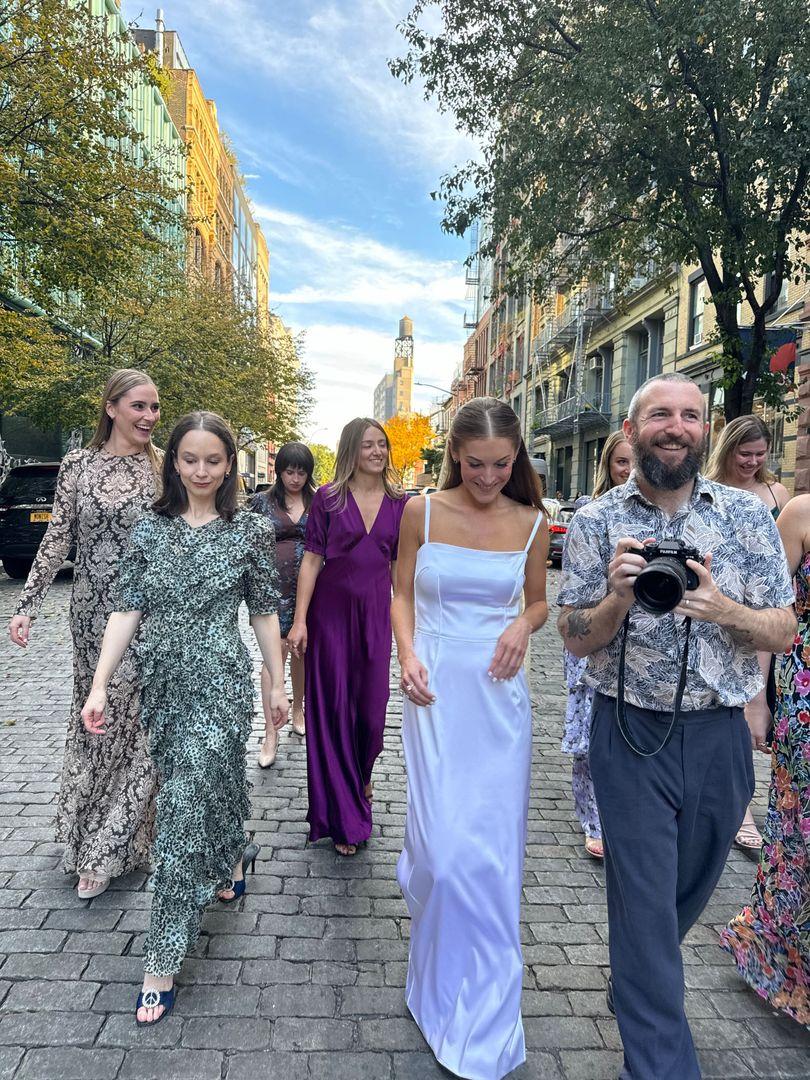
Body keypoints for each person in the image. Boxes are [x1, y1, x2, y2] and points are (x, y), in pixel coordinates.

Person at [558, 373, 795, 1080]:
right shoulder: (597, 519)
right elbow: (573, 635)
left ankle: (637, 980)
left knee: (681, 892)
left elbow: (783, 628)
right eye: (659, 413)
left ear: (705, 431)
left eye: (691, 415)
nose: (676, 424)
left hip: (720, 734)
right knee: (641, 900)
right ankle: (661, 1060)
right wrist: (617, 601)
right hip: (627, 731)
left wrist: (724, 608)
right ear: (631, 432)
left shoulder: (748, 519)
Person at [80, 411, 288, 1026]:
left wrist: (277, 686)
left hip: (221, 682)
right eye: (190, 459)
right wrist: (99, 686)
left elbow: (263, 614)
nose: (201, 471)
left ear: (229, 466)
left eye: (214, 461)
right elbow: (126, 611)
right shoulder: (148, 528)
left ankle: (161, 958)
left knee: (181, 807)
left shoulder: (248, 531)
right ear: (174, 461)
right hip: (161, 685)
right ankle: (231, 857)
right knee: (207, 785)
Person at [392, 397, 549, 1080]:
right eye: (477, 463)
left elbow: (539, 599)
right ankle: (431, 977)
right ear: (455, 453)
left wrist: (523, 625)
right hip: (434, 693)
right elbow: (400, 592)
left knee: (485, 860)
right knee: (438, 856)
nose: (489, 477)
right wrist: (406, 653)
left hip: (498, 702)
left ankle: (485, 1009)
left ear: (517, 461)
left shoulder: (534, 521)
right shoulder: (420, 512)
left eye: (503, 465)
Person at [8, 368, 162, 900]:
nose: (148, 416)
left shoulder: (163, 465)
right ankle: (92, 831)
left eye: (154, 407)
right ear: (112, 408)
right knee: (98, 723)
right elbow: (58, 536)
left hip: (149, 616)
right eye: (139, 406)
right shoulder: (78, 464)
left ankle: (112, 843)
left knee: (140, 727)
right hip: (91, 615)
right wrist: (27, 603)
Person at [288, 418, 407, 856]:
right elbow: (312, 561)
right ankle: (346, 818)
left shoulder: (402, 503)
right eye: (367, 445)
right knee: (335, 711)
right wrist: (300, 620)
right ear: (351, 451)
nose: (376, 452)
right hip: (331, 617)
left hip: (375, 615)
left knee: (372, 713)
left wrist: (406, 621)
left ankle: (362, 773)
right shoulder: (328, 499)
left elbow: (400, 570)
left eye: (382, 445)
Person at [720, 493, 810, 1024]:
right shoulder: (799, 513)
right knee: (800, 830)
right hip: (804, 697)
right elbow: (770, 614)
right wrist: (757, 700)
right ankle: (783, 959)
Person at [706, 414, 791, 852]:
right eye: (745, 454)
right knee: (734, 714)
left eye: (760, 455)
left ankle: (761, 807)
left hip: (767, 618)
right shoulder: (708, 492)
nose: (752, 463)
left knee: (763, 728)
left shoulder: (778, 494)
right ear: (728, 449)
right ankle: (739, 811)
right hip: (722, 611)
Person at [562, 431, 633, 859]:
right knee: (588, 741)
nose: (628, 471)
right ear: (607, 464)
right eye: (621, 462)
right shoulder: (591, 515)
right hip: (592, 639)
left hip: (636, 649)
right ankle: (593, 820)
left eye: (634, 462)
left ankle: (620, 817)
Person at [251, 442, 316, 763]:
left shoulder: (319, 503)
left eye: (301, 472)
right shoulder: (261, 503)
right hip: (271, 591)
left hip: (310, 592)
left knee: (300, 653)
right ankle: (270, 732)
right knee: (272, 657)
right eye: (289, 471)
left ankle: (299, 709)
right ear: (279, 471)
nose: (295, 478)